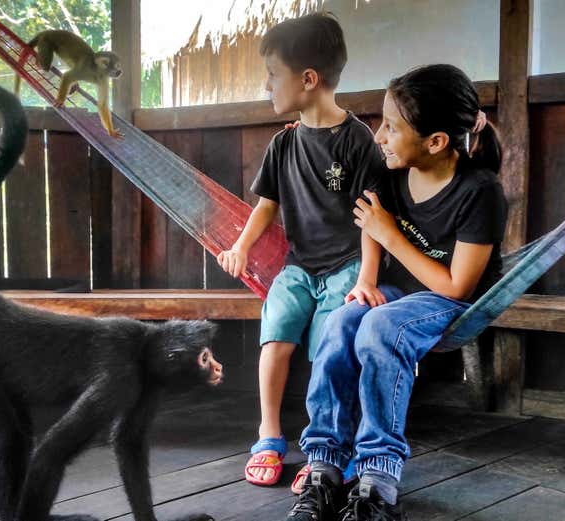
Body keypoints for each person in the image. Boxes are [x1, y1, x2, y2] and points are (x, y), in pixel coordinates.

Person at [286, 63, 508, 521]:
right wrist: (365, 280)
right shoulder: (390, 169)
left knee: (380, 328)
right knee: (342, 321)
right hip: (397, 290)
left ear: (436, 142)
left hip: (450, 300)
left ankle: (377, 482)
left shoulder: (479, 191)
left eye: (392, 126)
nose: (380, 135)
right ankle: (324, 467)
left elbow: (456, 284)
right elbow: (371, 219)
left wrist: (391, 238)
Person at [216, 12, 389, 487]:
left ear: (308, 79)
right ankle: (268, 433)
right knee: (276, 335)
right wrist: (239, 246)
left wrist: (366, 279)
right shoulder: (283, 144)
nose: (266, 84)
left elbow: (373, 222)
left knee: (328, 350)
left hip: (345, 266)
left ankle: (328, 446)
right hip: (298, 266)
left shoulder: (359, 143)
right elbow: (265, 207)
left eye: (273, 74)